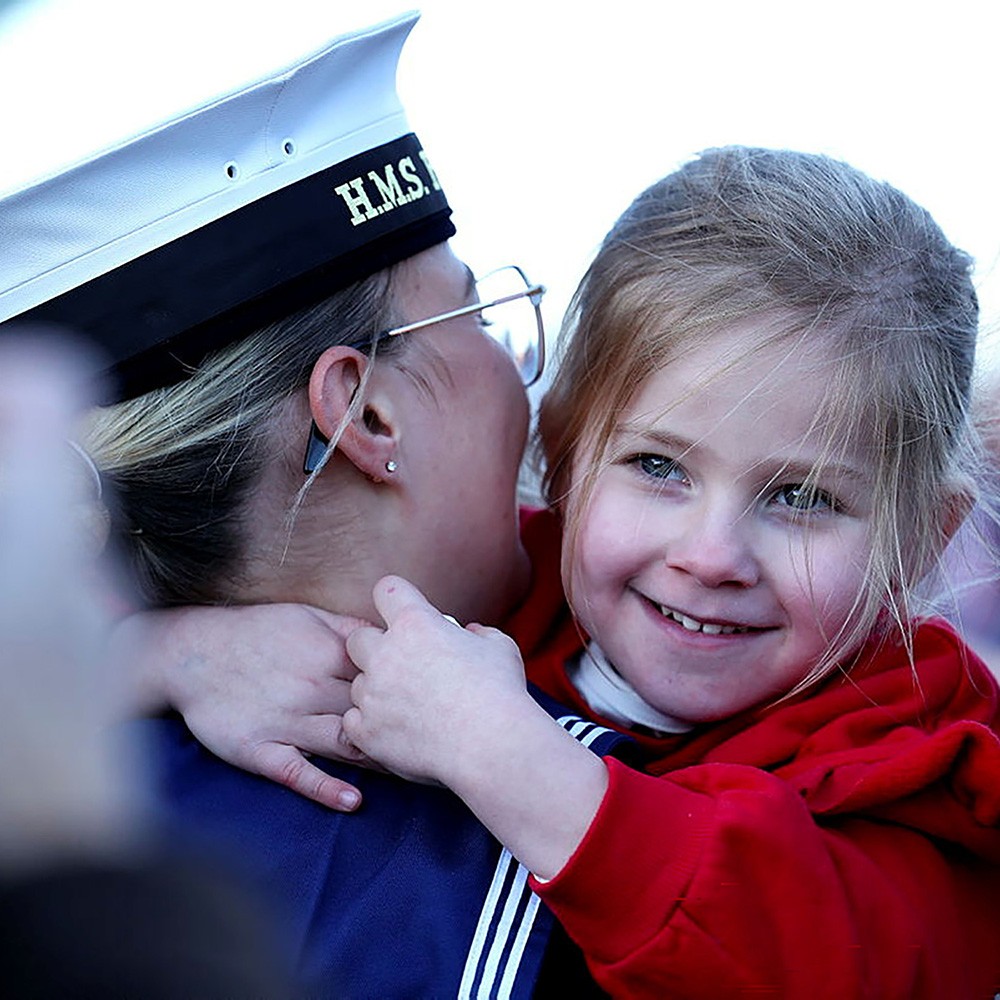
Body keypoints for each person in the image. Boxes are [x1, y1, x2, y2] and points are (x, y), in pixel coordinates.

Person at [147, 148, 1000, 997]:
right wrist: (168, 652)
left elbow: (842, 961)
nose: (710, 556)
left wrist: (509, 756)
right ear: (562, 456)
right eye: (660, 468)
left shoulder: (926, 751)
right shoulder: (513, 595)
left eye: (803, 497)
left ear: (922, 540)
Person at [0, 13, 622, 997]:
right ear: (366, 412)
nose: (513, 363)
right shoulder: (593, 848)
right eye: (473, 311)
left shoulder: (40, 816)